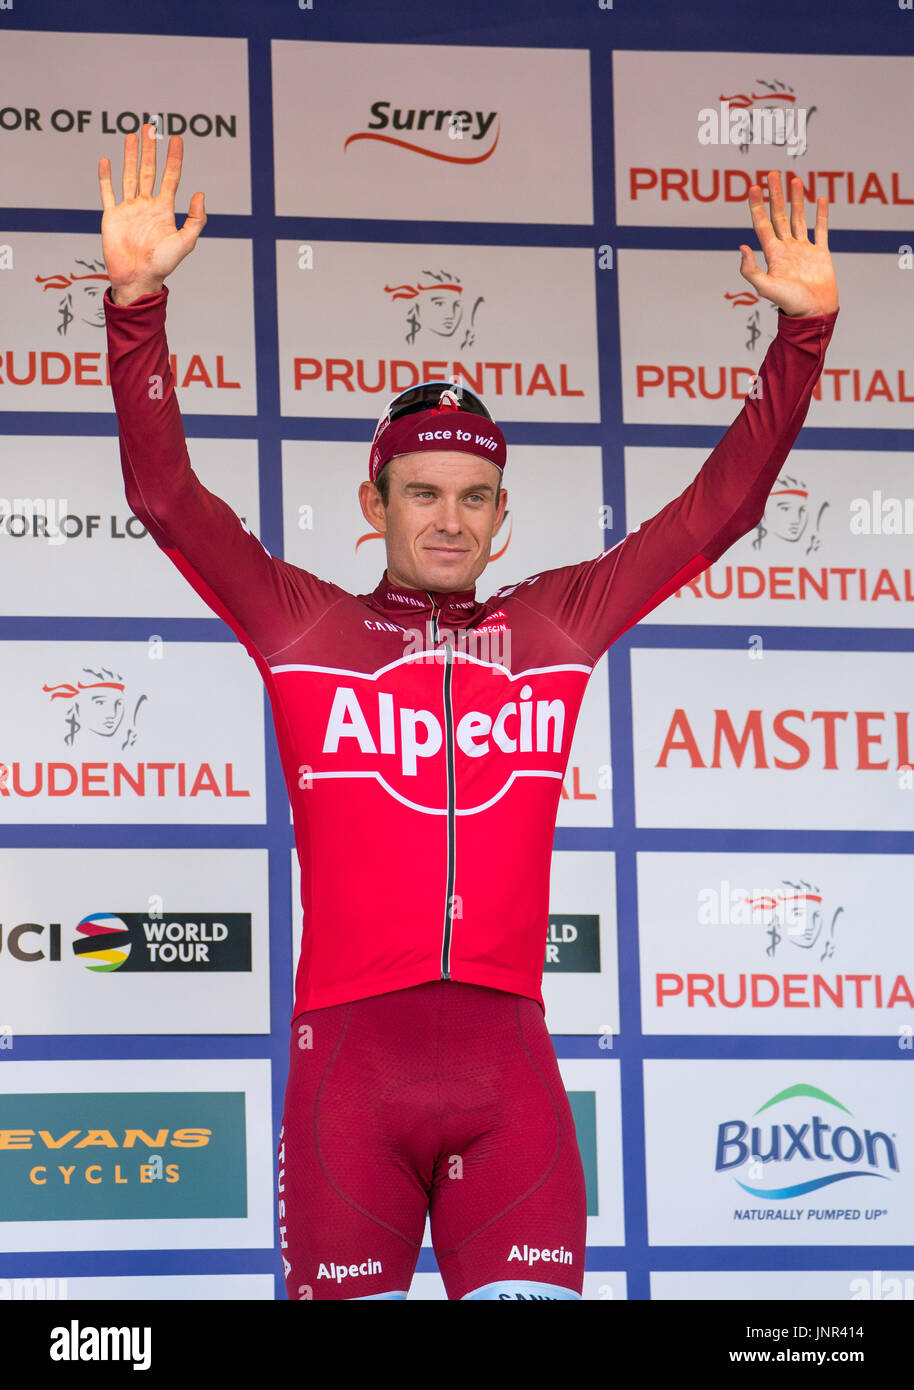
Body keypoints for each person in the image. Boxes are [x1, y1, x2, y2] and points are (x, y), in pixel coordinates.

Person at [98, 125, 839, 1300]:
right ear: (374, 502)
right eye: (422, 493)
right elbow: (168, 499)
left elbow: (718, 513)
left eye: (474, 497)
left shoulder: (549, 625)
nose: (449, 519)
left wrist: (801, 339)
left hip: (509, 1077)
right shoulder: (306, 627)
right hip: (348, 1071)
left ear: (499, 512)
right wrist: (134, 302)